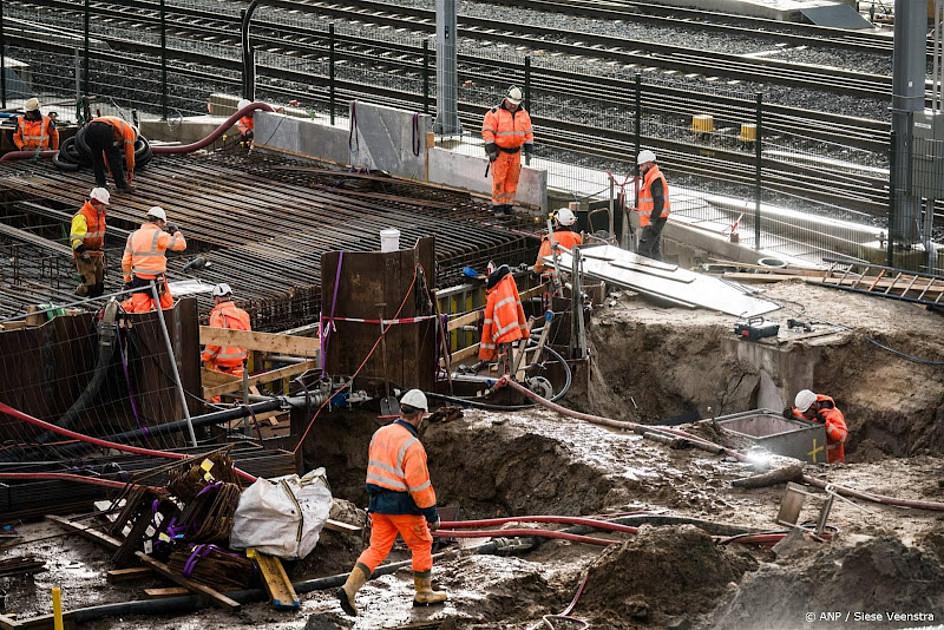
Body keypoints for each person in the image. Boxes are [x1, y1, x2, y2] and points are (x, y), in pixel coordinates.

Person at [337, 389, 447, 616]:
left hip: (378, 504)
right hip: (403, 507)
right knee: (421, 543)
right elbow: (419, 486)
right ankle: (423, 592)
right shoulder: (412, 445)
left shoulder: (380, 434)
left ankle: (349, 589)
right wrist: (432, 515)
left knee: (377, 548)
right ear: (419, 416)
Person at [120, 207, 187, 313]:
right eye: (163, 224)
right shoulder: (159, 235)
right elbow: (182, 245)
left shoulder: (133, 236)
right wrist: (176, 232)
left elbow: (126, 262)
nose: (163, 227)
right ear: (159, 221)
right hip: (157, 280)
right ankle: (164, 329)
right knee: (166, 309)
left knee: (141, 313)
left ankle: (143, 330)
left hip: (139, 280)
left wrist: (128, 280)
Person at [482, 86, 534, 217]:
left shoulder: (523, 114)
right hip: (501, 153)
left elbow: (528, 133)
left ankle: (508, 205)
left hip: (515, 153)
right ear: (506, 99)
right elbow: (487, 131)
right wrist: (491, 149)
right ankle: (498, 207)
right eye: (511, 104)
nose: (513, 106)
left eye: (515, 104)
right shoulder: (494, 113)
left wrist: (529, 148)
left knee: (512, 180)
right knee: (499, 180)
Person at [479, 261, 529, 368]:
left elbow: (488, 327)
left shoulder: (494, 295)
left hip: (502, 335)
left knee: (506, 361)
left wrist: (487, 354)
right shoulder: (508, 284)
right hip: (513, 332)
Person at [785, 389, 848, 464]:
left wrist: (826, 424)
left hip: (833, 463)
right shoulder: (809, 412)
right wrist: (790, 413)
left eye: (805, 412)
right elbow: (799, 414)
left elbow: (842, 437)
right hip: (816, 461)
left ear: (813, 406)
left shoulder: (834, 414)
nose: (804, 415)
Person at [201, 283, 251, 377]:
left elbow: (215, 341)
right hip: (239, 363)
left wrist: (205, 357)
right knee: (241, 389)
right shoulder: (243, 314)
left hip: (222, 365)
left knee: (214, 389)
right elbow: (249, 338)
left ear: (217, 298)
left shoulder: (217, 315)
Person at [70, 187, 110, 297]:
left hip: (97, 253)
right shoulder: (82, 216)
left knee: (99, 285)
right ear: (95, 202)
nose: (104, 207)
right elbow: (76, 240)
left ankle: (95, 301)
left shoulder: (100, 215)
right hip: (84, 254)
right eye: (103, 204)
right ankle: (77, 295)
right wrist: (83, 253)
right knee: (90, 285)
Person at [84, 116, 137, 192]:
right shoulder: (130, 132)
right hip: (104, 128)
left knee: (97, 158)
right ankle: (122, 186)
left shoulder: (118, 126)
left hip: (89, 129)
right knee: (115, 157)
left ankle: (101, 184)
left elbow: (106, 153)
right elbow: (129, 154)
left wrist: (109, 169)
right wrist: (130, 171)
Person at [635, 149, 671, 261]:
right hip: (656, 218)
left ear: (649, 164)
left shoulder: (655, 179)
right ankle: (659, 272)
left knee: (643, 250)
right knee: (654, 249)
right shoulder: (652, 177)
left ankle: (643, 274)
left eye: (642, 166)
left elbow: (659, 201)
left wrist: (652, 220)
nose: (640, 169)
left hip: (656, 219)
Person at [534, 207, 583, 274]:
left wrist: (534, 273)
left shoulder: (549, 239)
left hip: (553, 279)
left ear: (557, 222)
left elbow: (540, 265)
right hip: (573, 276)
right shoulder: (577, 237)